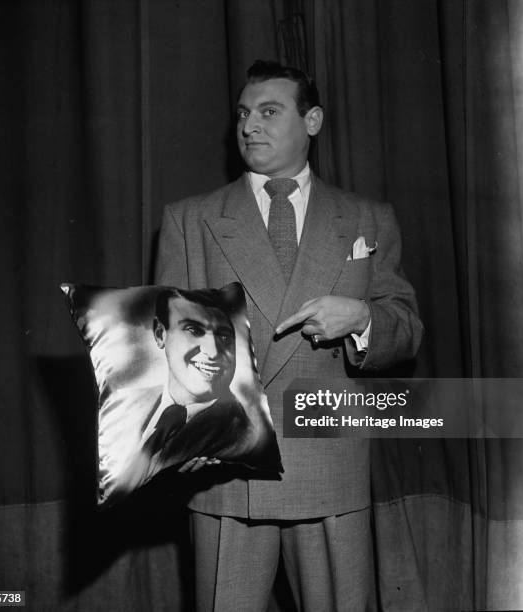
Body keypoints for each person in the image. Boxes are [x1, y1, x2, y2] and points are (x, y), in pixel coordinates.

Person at [155, 60, 423, 611]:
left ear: (314, 120)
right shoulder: (190, 219)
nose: (250, 126)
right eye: (244, 114)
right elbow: (165, 352)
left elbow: (407, 330)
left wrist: (363, 321)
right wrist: (182, 434)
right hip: (226, 472)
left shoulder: (368, 218)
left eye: (269, 112)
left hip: (330, 463)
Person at [141, 288, 251, 469]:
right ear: (160, 333)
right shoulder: (127, 404)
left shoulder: (242, 434)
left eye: (224, 336)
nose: (213, 352)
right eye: (194, 330)